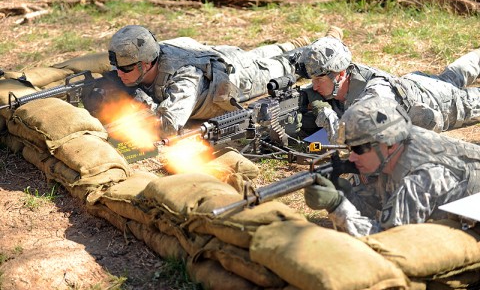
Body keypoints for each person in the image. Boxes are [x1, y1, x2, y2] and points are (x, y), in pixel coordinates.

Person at [303, 96, 480, 236]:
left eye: (359, 148)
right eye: (349, 148)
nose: (352, 156)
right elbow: (380, 212)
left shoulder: (420, 180)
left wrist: (337, 205)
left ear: (389, 144)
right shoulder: (399, 146)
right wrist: (347, 194)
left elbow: (387, 244)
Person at [107, 25, 314, 135]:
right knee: (256, 53)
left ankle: (320, 45)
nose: (118, 73)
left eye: (125, 68)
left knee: (290, 65)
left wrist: (141, 98)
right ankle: (290, 44)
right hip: (220, 54)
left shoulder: (185, 77)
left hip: (239, 76)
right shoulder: (145, 53)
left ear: (146, 64)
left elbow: (169, 125)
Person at [298, 36, 480, 142]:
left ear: (339, 73)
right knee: (453, 75)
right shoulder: (345, 76)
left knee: (458, 86)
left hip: (445, 103)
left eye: (319, 79)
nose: (314, 86)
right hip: (419, 82)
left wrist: (323, 112)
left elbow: (347, 137)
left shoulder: (375, 94)